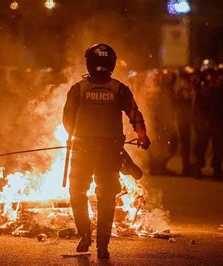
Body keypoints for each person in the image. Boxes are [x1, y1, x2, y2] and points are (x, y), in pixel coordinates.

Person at [63, 44, 150, 259]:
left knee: (77, 191)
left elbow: (67, 120)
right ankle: (103, 245)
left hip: (82, 149)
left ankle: (84, 234)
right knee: (106, 196)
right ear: (112, 63)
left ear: (89, 63)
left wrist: (79, 135)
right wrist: (142, 136)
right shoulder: (119, 89)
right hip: (110, 152)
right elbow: (134, 115)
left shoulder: (79, 89)